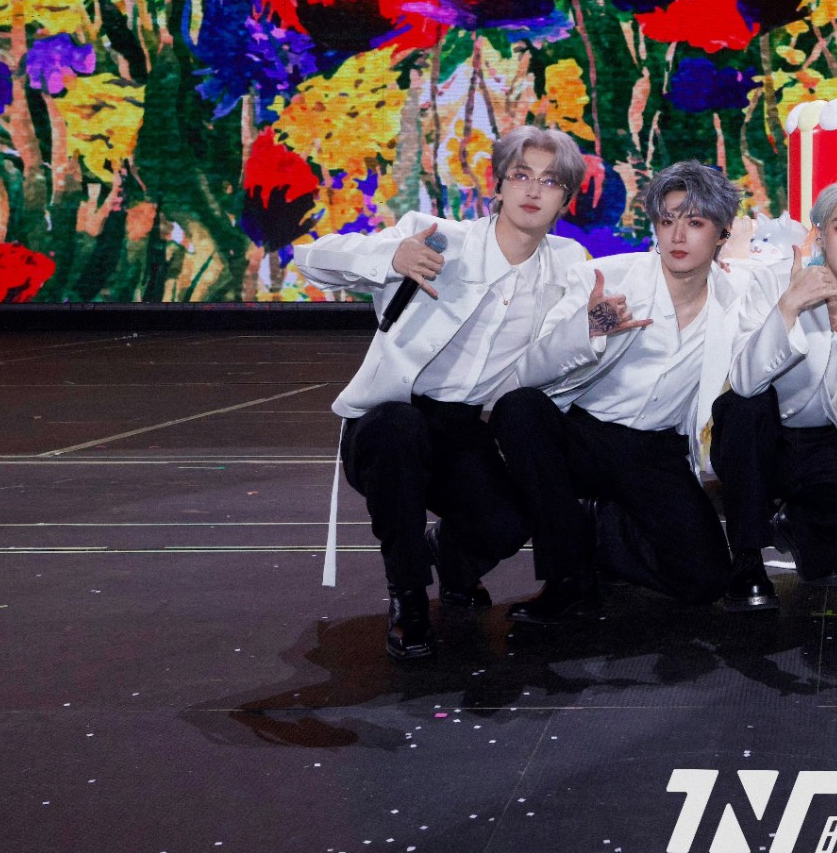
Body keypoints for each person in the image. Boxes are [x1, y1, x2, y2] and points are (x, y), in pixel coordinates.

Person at [292, 125, 593, 661]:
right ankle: (408, 597)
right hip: (386, 423)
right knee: (400, 430)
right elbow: (312, 258)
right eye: (520, 175)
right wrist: (391, 258)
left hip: (461, 428)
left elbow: (561, 351)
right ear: (498, 184)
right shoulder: (437, 238)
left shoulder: (567, 263)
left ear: (565, 198)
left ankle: (450, 560)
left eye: (549, 181)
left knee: (507, 523)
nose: (532, 190)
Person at [487, 161, 769, 624]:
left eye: (695, 222)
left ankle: (599, 530)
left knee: (704, 582)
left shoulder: (736, 296)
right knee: (518, 409)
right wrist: (590, 329)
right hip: (584, 435)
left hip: (655, 451)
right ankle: (566, 576)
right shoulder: (605, 278)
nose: (678, 236)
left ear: (722, 233)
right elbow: (529, 371)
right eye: (667, 220)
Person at [723, 178, 837, 607]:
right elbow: (745, 382)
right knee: (744, 408)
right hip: (757, 430)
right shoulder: (772, 281)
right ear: (820, 234)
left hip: (820, 439)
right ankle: (747, 560)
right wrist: (788, 307)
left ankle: (797, 529)